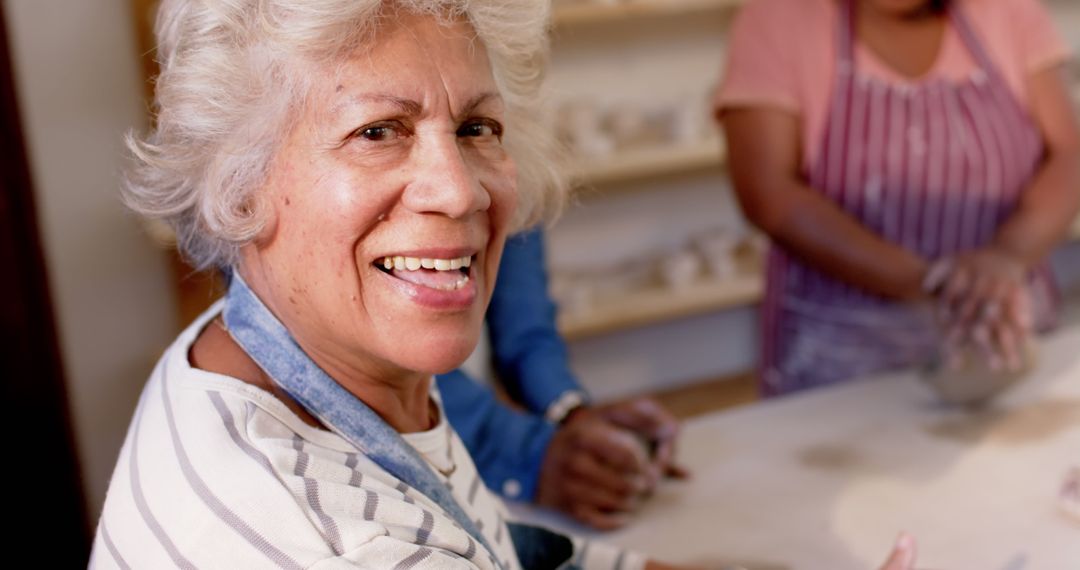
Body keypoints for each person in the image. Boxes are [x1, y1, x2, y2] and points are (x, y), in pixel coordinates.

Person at [89, 1, 687, 567]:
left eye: (477, 127)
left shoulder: (242, 350)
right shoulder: (346, 546)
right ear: (238, 183)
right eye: (377, 131)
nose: (459, 191)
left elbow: (495, 546)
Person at [715, 0, 1080, 396]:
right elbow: (768, 194)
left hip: (1005, 333)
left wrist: (1008, 254)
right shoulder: (777, 19)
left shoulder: (1007, 10)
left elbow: (1069, 153)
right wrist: (938, 285)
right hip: (844, 361)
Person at [438, 229, 686, 530]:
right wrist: (524, 452)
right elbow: (381, 356)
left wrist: (570, 412)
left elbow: (525, 326)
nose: (462, 196)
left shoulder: (517, 194)